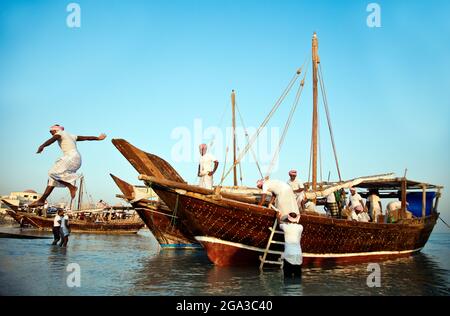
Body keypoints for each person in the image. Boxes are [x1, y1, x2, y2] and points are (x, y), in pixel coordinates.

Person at [29, 125, 107, 207]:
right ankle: (41, 200)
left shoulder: (60, 133)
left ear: (55, 130)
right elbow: (86, 138)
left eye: (50, 131)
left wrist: (43, 146)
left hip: (71, 157)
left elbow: (52, 140)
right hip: (76, 159)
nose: (50, 133)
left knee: (51, 172)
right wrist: (98, 138)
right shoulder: (71, 135)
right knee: (53, 179)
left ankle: (71, 186)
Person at [279, 212, 303, 279]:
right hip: (298, 255)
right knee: (298, 278)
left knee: (287, 278)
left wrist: (278, 217)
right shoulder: (301, 227)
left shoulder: (285, 227)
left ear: (288, 219)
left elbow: (279, 223)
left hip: (288, 255)